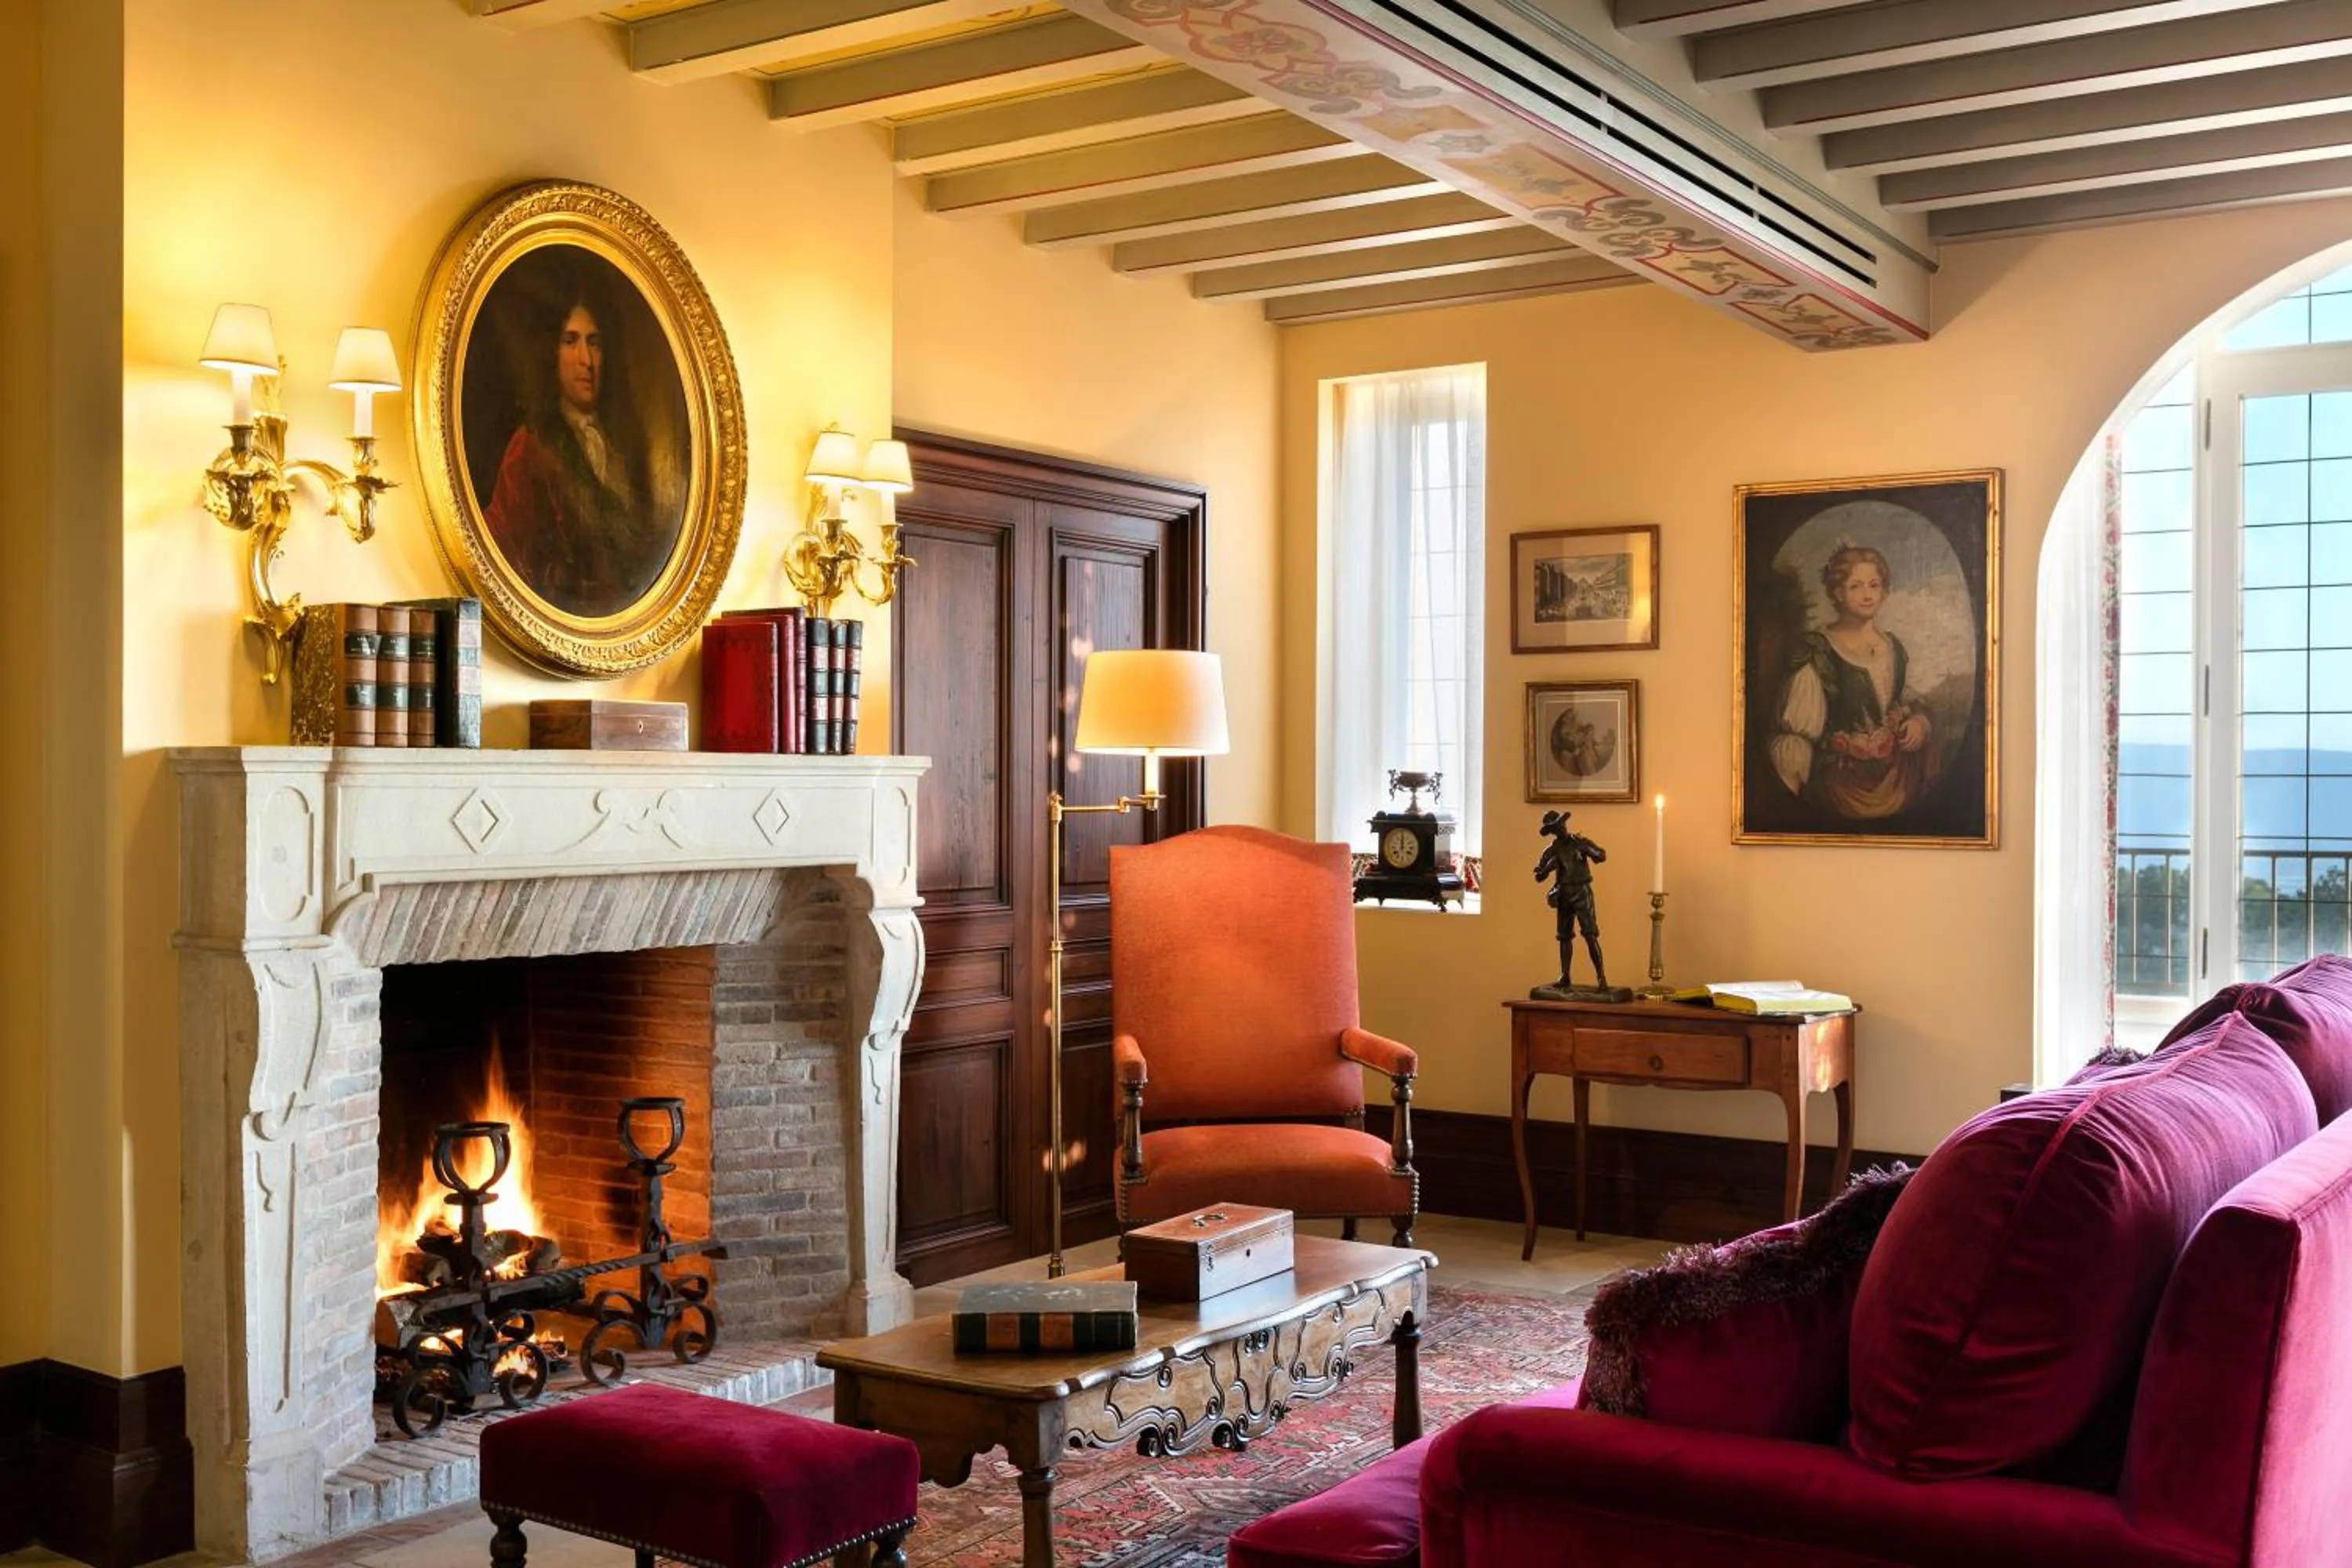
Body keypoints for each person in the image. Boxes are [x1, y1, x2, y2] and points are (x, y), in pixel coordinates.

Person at [482, 272, 667, 619]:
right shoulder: (530, 446)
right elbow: (505, 549)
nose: (587, 360)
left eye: (594, 343)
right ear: (551, 353)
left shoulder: (625, 445)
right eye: (571, 341)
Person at [1770, 543, 1936, 819]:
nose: (1867, 595)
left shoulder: (1893, 647)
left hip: (1898, 781)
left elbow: (1905, 699)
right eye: (1856, 586)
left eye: (1874, 585)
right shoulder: (1818, 650)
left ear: (1884, 591)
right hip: (1838, 788)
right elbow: (1795, 738)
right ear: (1837, 593)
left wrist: (1919, 722)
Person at [1534, 809, 1612, 993]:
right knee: (1564, 936)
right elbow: (1539, 876)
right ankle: (1565, 975)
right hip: (1563, 893)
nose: (1560, 828)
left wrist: (1590, 850)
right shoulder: (1551, 850)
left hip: (1582, 892)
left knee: (1590, 934)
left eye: (1560, 824)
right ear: (1551, 831)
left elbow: (1601, 855)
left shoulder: (1579, 843)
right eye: (1555, 827)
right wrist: (1549, 866)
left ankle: (1601, 977)